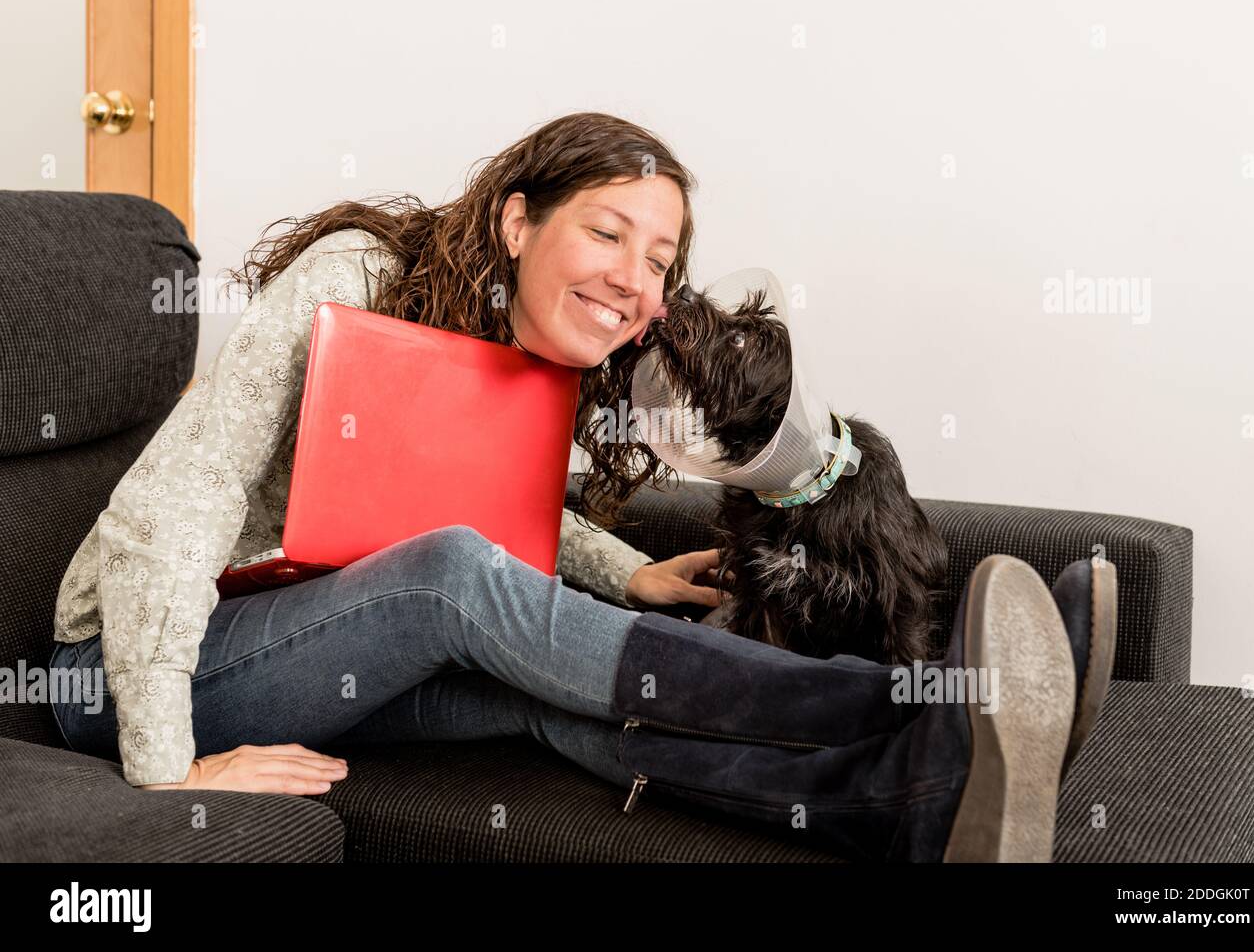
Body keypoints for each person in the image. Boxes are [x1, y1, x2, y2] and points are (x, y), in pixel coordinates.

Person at [48, 111, 1088, 861]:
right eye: (606, 233)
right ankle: (921, 699)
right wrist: (164, 765)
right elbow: (178, 509)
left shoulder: (517, 351)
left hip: (327, 646)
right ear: (515, 224)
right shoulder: (353, 277)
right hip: (136, 669)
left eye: (660, 259)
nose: (635, 280)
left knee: (539, 697)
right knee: (456, 577)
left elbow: (464, 499)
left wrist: (623, 577)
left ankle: (906, 796)